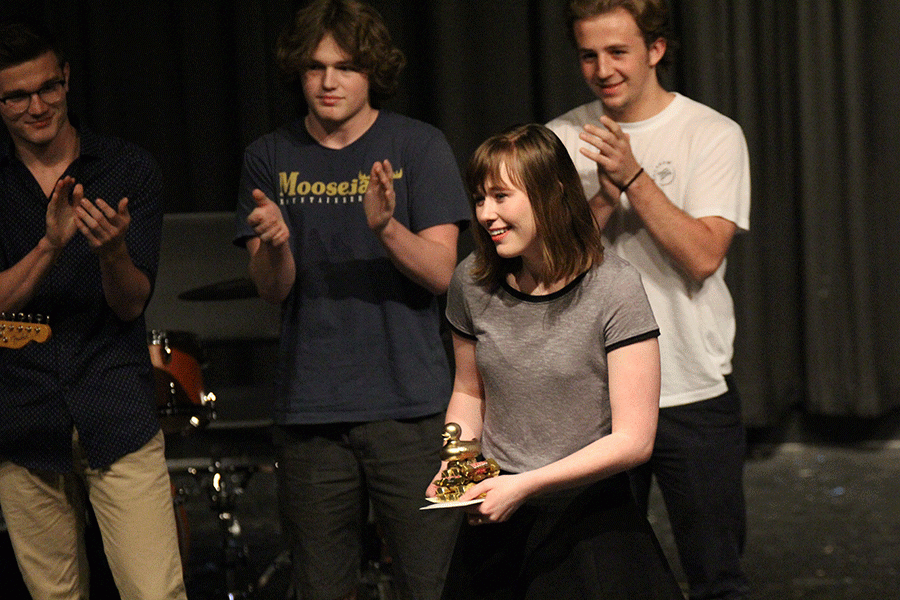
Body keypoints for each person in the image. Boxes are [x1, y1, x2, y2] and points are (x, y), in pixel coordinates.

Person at [233, 1, 469, 598]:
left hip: (415, 410)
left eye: (346, 67)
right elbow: (270, 291)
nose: (329, 82)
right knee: (320, 587)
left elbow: (445, 274)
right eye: (315, 68)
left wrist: (387, 229)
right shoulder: (270, 155)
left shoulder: (419, 145)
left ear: (373, 72)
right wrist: (278, 247)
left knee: (435, 582)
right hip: (310, 413)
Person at [546, 1, 752, 598]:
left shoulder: (711, 134)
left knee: (716, 576)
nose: (602, 69)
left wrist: (633, 177)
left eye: (618, 52)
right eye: (589, 55)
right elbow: (550, 266)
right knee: (601, 578)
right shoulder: (561, 138)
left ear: (655, 50)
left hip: (691, 390)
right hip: (594, 395)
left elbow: (702, 256)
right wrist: (604, 199)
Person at [431, 123, 684, 599]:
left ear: (550, 194)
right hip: (500, 506)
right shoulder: (473, 281)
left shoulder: (614, 287)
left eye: (501, 197)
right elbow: (469, 390)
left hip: (584, 513)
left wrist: (526, 485)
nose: (486, 214)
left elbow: (634, 440)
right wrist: (459, 462)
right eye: (479, 199)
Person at [0, 18, 186, 600]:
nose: (37, 106)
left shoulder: (126, 168)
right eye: (17, 96)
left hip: (115, 409)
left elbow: (132, 304)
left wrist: (111, 254)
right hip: (22, 420)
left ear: (67, 79)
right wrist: (51, 245)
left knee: (155, 592)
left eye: (48, 88)